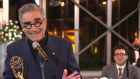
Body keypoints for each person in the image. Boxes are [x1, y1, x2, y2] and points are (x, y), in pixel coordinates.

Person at [3, 3, 81, 79]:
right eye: (27, 24)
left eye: (37, 22)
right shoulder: (13, 49)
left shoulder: (64, 45)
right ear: (22, 26)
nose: (33, 29)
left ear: (45, 22)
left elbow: (76, 76)